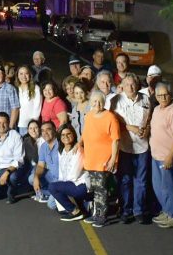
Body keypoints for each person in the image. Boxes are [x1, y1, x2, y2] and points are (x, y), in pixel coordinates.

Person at [112, 74, 151, 224]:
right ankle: (126, 210)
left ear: (138, 84)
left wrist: (146, 129)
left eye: (133, 84)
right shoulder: (116, 100)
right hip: (125, 146)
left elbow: (149, 119)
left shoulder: (145, 99)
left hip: (142, 147)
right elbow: (113, 122)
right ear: (122, 85)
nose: (131, 87)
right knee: (126, 180)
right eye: (127, 84)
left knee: (140, 181)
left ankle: (138, 210)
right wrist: (130, 128)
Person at [80, 91, 120, 227]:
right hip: (90, 159)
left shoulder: (110, 117)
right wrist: (78, 145)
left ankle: (102, 216)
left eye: (99, 101)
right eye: (94, 101)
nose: (96, 104)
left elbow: (115, 140)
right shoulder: (89, 116)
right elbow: (85, 135)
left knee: (101, 188)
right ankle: (96, 214)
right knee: (95, 189)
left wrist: (113, 159)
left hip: (103, 160)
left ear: (104, 102)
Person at [149, 82, 173, 229]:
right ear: (156, 97)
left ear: (170, 95)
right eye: (160, 95)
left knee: (168, 186)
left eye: (166, 94)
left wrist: (170, 156)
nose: (163, 97)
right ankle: (166, 210)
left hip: (167, 157)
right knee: (159, 186)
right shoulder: (157, 109)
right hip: (156, 156)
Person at [48, 123, 90, 221]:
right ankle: (81, 206)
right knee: (56, 205)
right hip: (70, 184)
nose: (65, 137)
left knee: (52, 187)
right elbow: (61, 174)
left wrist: (61, 187)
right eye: (62, 135)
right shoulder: (61, 151)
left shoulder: (78, 149)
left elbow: (74, 175)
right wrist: (61, 186)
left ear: (73, 134)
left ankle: (76, 211)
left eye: (68, 134)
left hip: (80, 185)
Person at [32, 121, 59, 204]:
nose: (45, 133)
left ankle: (54, 194)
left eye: (48, 130)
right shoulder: (44, 146)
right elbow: (40, 165)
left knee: (51, 205)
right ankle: (51, 193)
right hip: (52, 176)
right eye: (43, 131)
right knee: (32, 178)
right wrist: (36, 177)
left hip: (62, 179)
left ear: (54, 130)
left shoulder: (61, 143)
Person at [15, 64, 42, 135]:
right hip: (16, 124)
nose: (24, 76)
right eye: (21, 74)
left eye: (26, 73)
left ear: (30, 75)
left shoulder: (35, 88)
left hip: (29, 125)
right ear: (17, 75)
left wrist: (33, 125)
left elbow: (37, 107)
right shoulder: (16, 88)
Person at [0, 65, 20, 129]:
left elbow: (15, 108)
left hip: (7, 126)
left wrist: (11, 126)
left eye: (0, 74)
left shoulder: (10, 88)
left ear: (4, 75)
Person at [16, 119, 43, 188]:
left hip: (41, 166)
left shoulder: (43, 140)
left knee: (31, 178)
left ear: (39, 129)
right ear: (28, 130)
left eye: (36, 128)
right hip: (30, 165)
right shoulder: (26, 140)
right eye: (31, 128)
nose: (33, 130)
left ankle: (43, 191)